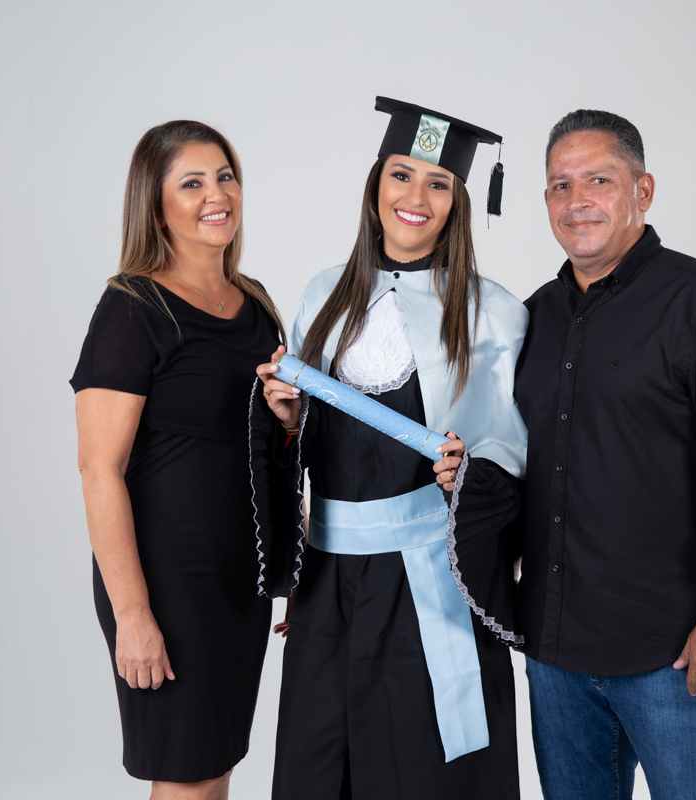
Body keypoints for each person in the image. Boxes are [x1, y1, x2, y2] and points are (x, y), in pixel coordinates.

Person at [250, 97, 528, 800]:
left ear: (459, 202)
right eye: (401, 174)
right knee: (321, 770)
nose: (416, 198)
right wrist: (288, 417)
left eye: (439, 183)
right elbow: (308, 445)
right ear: (375, 183)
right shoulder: (322, 296)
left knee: (426, 773)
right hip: (327, 585)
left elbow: (512, 455)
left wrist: (472, 472)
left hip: (431, 582)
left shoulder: (493, 313)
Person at [513, 109, 696, 800]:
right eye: (560, 185)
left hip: (675, 650)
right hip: (556, 650)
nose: (577, 201)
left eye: (599, 180)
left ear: (643, 191)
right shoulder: (532, 318)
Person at [71, 120, 286, 800]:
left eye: (225, 176)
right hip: (166, 585)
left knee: (215, 767)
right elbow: (99, 469)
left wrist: (290, 562)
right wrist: (133, 615)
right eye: (191, 183)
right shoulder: (132, 306)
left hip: (238, 583)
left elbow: (264, 453)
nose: (216, 194)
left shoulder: (256, 306)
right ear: (156, 205)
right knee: (188, 775)